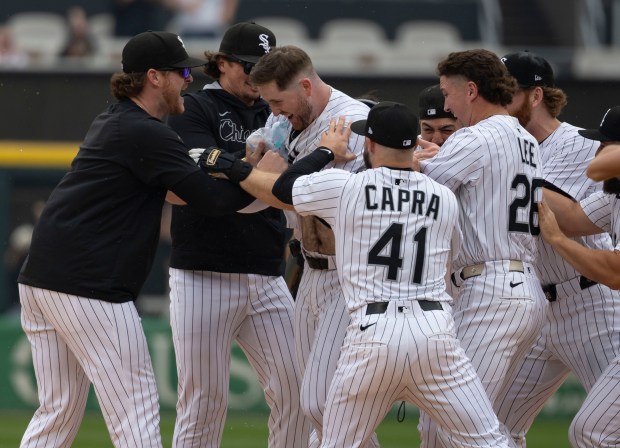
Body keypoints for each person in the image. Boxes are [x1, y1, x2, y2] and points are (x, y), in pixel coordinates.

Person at [198, 104, 514, 448]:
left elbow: (284, 187)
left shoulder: (347, 186)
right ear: (414, 146)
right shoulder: (444, 197)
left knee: (336, 442)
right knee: (487, 440)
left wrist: (319, 151)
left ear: (372, 145)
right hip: (435, 331)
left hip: (373, 331)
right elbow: (450, 259)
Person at [16, 30, 257, 448]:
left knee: (58, 412)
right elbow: (212, 201)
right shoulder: (147, 132)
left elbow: (181, 191)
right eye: (182, 71)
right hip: (90, 288)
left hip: (41, 280)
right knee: (136, 408)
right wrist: (257, 169)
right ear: (154, 77)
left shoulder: (115, 120)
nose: (190, 80)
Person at [165, 22, 310, 447]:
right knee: (204, 401)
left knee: (298, 392)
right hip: (203, 272)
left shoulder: (277, 108)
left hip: (266, 273)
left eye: (265, 66)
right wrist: (256, 172)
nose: (257, 74)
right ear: (222, 63)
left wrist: (234, 168)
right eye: (249, 65)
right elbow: (193, 181)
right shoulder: (196, 108)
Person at [416, 48, 548, 447]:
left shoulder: (475, 137)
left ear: (471, 90)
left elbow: (419, 196)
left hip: (491, 292)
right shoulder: (527, 139)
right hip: (521, 287)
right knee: (477, 425)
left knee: (451, 428)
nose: (446, 104)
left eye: (448, 93)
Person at [248, 45, 373, 447]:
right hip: (309, 270)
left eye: (278, 100)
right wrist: (260, 156)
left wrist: (254, 175)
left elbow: (305, 197)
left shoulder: (351, 123)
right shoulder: (286, 118)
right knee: (314, 405)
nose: (275, 110)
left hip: (348, 271)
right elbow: (262, 161)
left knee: (323, 403)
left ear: (305, 85)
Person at [493, 51, 620, 447]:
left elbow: (568, 219)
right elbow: (576, 215)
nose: (499, 100)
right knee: (491, 424)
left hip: (591, 303)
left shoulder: (582, 146)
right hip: (535, 306)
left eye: (508, 91)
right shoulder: (493, 145)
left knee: (602, 431)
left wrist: (508, 167)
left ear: (535, 95)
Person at [539, 105, 620, 447]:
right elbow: (572, 217)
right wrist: (513, 172)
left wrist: (557, 241)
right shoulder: (614, 197)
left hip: (594, 304)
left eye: (605, 142)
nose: (597, 148)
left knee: (592, 431)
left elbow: (615, 274)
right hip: (548, 309)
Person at [166, 0, 239, 38]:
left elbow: (229, 13)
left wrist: (227, 16)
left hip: (214, 29)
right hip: (185, 28)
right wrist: (182, 6)